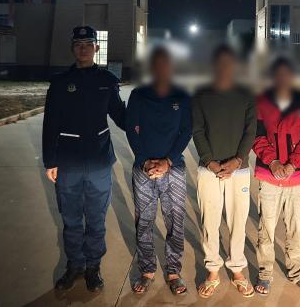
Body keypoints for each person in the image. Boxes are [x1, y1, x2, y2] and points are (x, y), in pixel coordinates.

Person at [42, 26, 126, 293]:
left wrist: (144, 118)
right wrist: (50, 160)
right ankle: (75, 265)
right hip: (68, 161)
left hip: (99, 161)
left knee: (96, 218)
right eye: (78, 44)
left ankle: (93, 266)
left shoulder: (107, 80)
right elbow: (50, 123)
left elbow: (121, 116)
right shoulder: (59, 82)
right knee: (71, 219)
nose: (83, 48)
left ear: (96, 48)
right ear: (72, 49)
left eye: (88, 43)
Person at [124, 46, 192, 296]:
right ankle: (147, 269)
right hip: (143, 170)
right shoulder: (139, 95)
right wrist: (144, 161)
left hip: (173, 169)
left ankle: (173, 271)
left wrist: (168, 161)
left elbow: (186, 130)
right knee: (144, 221)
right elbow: (131, 129)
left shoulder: (182, 95)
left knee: (175, 221)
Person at [192, 44, 257, 298]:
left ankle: (237, 269)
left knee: (238, 222)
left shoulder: (246, 94)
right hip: (209, 170)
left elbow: (250, 131)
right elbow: (197, 130)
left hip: (238, 170)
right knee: (209, 221)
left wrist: (238, 160)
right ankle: (212, 270)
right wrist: (210, 161)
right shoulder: (201, 94)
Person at [252, 57, 300, 295]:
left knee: (294, 229)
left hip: (296, 178)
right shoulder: (261, 103)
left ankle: (296, 272)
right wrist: (273, 162)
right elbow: (257, 136)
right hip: (269, 177)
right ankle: (265, 273)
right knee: (266, 229)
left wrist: (292, 165)